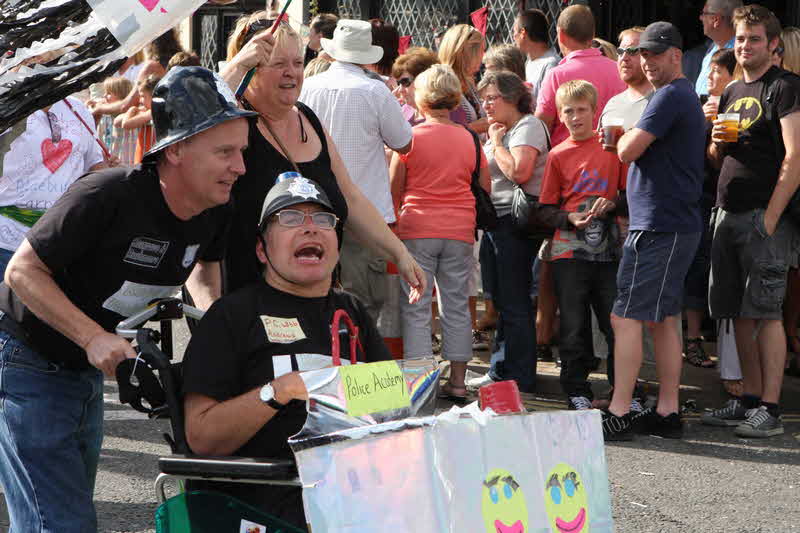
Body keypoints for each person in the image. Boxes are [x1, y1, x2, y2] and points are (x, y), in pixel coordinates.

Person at [0, 66, 250, 532]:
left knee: (52, 516)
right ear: (175, 149)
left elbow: (204, 271)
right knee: (59, 523)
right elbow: (21, 272)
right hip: (28, 358)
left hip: (85, 368)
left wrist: (219, 330)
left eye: (241, 151)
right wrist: (92, 337)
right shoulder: (107, 195)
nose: (240, 167)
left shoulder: (216, 206)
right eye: (225, 152)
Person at [181, 175, 390, 529]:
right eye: (290, 218)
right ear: (262, 250)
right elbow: (203, 437)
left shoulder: (352, 312)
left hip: (354, 497)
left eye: (322, 219)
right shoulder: (231, 317)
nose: (310, 228)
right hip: (266, 505)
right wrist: (280, 390)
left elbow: (392, 410)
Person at [222, 15, 423, 305]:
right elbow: (195, 120)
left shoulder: (308, 119)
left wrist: (400, 254)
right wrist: (236, 66)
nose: (291, 73)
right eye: (278, 64)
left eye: (297, 63)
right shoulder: (230, 122)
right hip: (245, 298)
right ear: (250, 67)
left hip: (313, 298)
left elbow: (351, 198)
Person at [601, 22, 705, 441]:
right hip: (669, 222)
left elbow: (627, 150)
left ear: (676, 55)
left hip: (661, 224)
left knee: (625, 315)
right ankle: (666, 410)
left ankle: (620, 409)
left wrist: (626, 135)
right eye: (641, 53)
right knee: (664, 319)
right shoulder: (677, 94)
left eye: (654, 53)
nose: (645, 61)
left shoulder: (669, 95)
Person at [702, 5, 800, 438]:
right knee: (737, 313)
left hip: (764, 215)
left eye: (754, 39)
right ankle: (749, 400)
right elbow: (718, 157)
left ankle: (771, 410)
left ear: (773, 44)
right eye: (740, 38)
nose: (745, 46)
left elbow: (795, 158)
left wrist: (772, 218)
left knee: (767, 313)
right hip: (727, 211)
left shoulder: (785, 87)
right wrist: (715, 141)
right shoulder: (731, 91)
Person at [299, 19, 417, 321]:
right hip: (366, 212)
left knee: (312, 297)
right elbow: (404, 143)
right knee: (362, 307)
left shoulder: (308, 87)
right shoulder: (375, 91)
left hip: (315, 206)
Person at [389, 64, 490, 401]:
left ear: (421, 98)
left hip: (417, 228)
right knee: (457, 305)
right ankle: (458, 382)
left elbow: (394, 189)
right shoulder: (469, 138)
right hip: (460, 230)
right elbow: (485, 186)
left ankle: (421, 388)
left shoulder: (411, 138)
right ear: (454, 98)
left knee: (417, 307)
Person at [539, 80, 626, 411]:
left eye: (581, 110)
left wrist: (613, 204)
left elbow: (630, 195)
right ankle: (576, 388)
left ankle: (623, 389)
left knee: (615, 323)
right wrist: (568, 219)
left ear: (595, 112)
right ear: (560, 116)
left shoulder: (612, 149)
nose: (575, 117)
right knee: (573, 324)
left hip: (609, 251)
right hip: (568, 252)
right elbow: (544, 209)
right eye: (568, 111)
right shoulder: (557, 155)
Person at [473, 71, 550, 394]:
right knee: (504, 300)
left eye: (492, 98)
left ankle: (519, 377)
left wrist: (495, 143)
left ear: (512, 97)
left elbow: (519, 172)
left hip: (514, 225)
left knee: (515, 300)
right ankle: (500, 370)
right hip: (496, 222)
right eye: (484, 99)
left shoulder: (527, 126)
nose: (486, 105)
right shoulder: (503, 129)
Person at [0, 94, 106, 279]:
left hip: (59, 241)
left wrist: (115, 174)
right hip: (7, 240)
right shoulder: (7, 105)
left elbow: (95, 165)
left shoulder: (77, 109)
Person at [535, 5, 626, 147]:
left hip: (567, 157)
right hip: (611, 155)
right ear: (593, 34)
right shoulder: (618, 70)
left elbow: (540, 128)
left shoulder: (556, 75)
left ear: (560, 35)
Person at [438, 24, 488, 133]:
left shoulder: (468, 80)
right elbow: (442, 131)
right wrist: (476, 127)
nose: (483, 57)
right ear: (468, 54)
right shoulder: (442, 85)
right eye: (481, 50)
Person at [513, 8, 561, 105]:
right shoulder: (529, 61)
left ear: (523, 33)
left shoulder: (551, 64)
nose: (513, 37)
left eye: (514, 32)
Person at [695, 0, 742, 96]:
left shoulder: (740, 54)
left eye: (704, 13)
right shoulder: (711, 49)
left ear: (716, 19)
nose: (700, 17)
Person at [114, 74, 160, 164]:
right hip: (142, 159)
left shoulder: (151, 112)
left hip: (150, 161)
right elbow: (117, 121)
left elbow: (126, 124)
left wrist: (132, 110)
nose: (140, 100)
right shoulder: (145, 111)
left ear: (154, 97)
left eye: (143, 96)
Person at [391, 46, 439, 125]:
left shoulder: (443, 116)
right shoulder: (404, 110)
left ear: (425, 80)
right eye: (399, 83)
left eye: (405, 82)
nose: (400, 90)